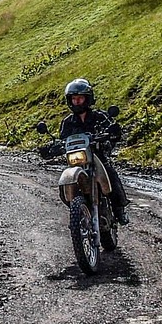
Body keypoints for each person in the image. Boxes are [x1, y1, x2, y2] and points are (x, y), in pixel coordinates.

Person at [58, 78, 130, 224]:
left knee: (110, 173)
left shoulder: (100, 117)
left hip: (98, 156)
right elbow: (61, 139)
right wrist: (51, 147)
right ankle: (76, 210)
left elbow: (113, 131)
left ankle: (119, 209)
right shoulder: (67, 122)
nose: (77, 102)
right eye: (74, 99)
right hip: (76, 161)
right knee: (64, 181)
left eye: (80, 98)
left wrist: (112, 133)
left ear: (88, 99)